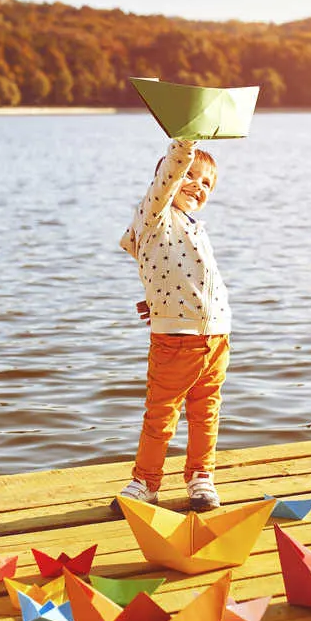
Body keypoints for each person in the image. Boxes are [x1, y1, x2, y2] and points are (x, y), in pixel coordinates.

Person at [115, 138, 230, 512]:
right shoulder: (156, 214)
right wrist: (186, 138)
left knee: (205, 411)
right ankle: (145, 483)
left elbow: (180, 275)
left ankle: (201, 478)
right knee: (161, 414)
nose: (199, 186)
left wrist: (156, 299)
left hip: (215, 336)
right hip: (175, 341)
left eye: (207, 183)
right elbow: (171, 172)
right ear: (167, 178)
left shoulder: (195, 227)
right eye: (190, 176)